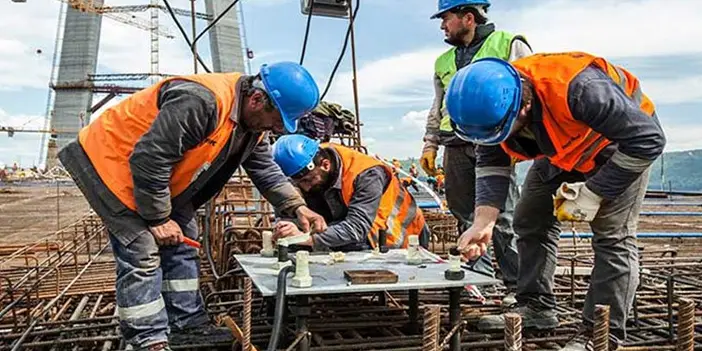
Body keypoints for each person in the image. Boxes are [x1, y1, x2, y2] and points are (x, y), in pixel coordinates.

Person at [58, 62, 328, 351]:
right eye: (277, 120)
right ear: (257, 99)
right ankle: (148, 340)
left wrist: (297, 206)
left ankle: (186, 323)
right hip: (111, 166)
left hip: (159, 178)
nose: (277, 128)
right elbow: (150, 158)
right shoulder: (201, 101)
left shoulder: (253, 123)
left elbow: (263, 168)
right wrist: (158, 218)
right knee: (143, 249)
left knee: (185, 240)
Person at [447, 52, 666, 350]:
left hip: (622, 148)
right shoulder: (492, 111)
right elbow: (492, 161)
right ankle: (536, 306)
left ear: (523, 108)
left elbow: (649, 140)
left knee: (613, 238)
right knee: (530, 218)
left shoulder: (581, 89)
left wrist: (595, 192)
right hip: (564, 148)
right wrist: (484, 222)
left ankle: (600, 336)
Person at [419, 0, 532, 304]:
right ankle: (479, 280)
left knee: (503, 217)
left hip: (496, 140)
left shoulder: (508, 44)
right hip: (454, 142)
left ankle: (517, 285)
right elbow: (438, 105)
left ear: (468, 17)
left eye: (446, 18)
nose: (443, 26)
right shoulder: (443, 61)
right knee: (463, 214)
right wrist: (430, 144)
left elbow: (529, 92)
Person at [272, 134, 429, 251]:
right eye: (299, 184)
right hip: (351, 227)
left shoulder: (367, 174)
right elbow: (288, 214)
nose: (305, 188)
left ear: (325, 165)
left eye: (308, 181)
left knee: (346, 245)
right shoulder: (303, 166)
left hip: (396, 234)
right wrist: (287, 227)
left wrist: (303, 238)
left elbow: (356, 228)